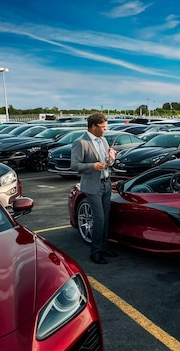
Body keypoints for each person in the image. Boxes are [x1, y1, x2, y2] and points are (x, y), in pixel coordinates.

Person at [70, 112, 118, 264]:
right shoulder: (81, 143)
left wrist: (110, 159)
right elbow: (74, 166)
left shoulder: (103, 140)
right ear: (93, 126)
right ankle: (95, 252)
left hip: (106, 183)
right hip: (92, 186)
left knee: (106, 217)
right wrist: (93, 166)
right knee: (99, 218)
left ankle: (104, 247)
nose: (105, 129)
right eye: (103, 127)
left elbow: (106, 162)